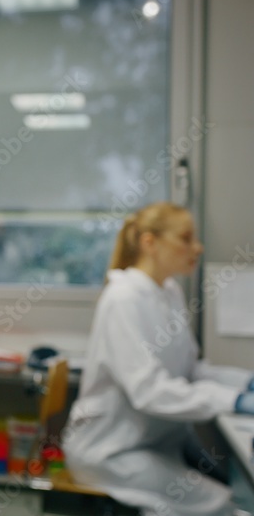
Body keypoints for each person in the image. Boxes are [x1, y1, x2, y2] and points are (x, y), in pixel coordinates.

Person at [63, 202, 254, 516]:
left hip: (157, 442)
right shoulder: (122, 299)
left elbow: (192, 370)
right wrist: (234, 401)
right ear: (149, 243)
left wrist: (245, 383)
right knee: (224, 506)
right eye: (185, 238)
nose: (198, 247)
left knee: (229, 491)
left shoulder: (169, 293)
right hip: (111, 452)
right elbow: (148, 390)